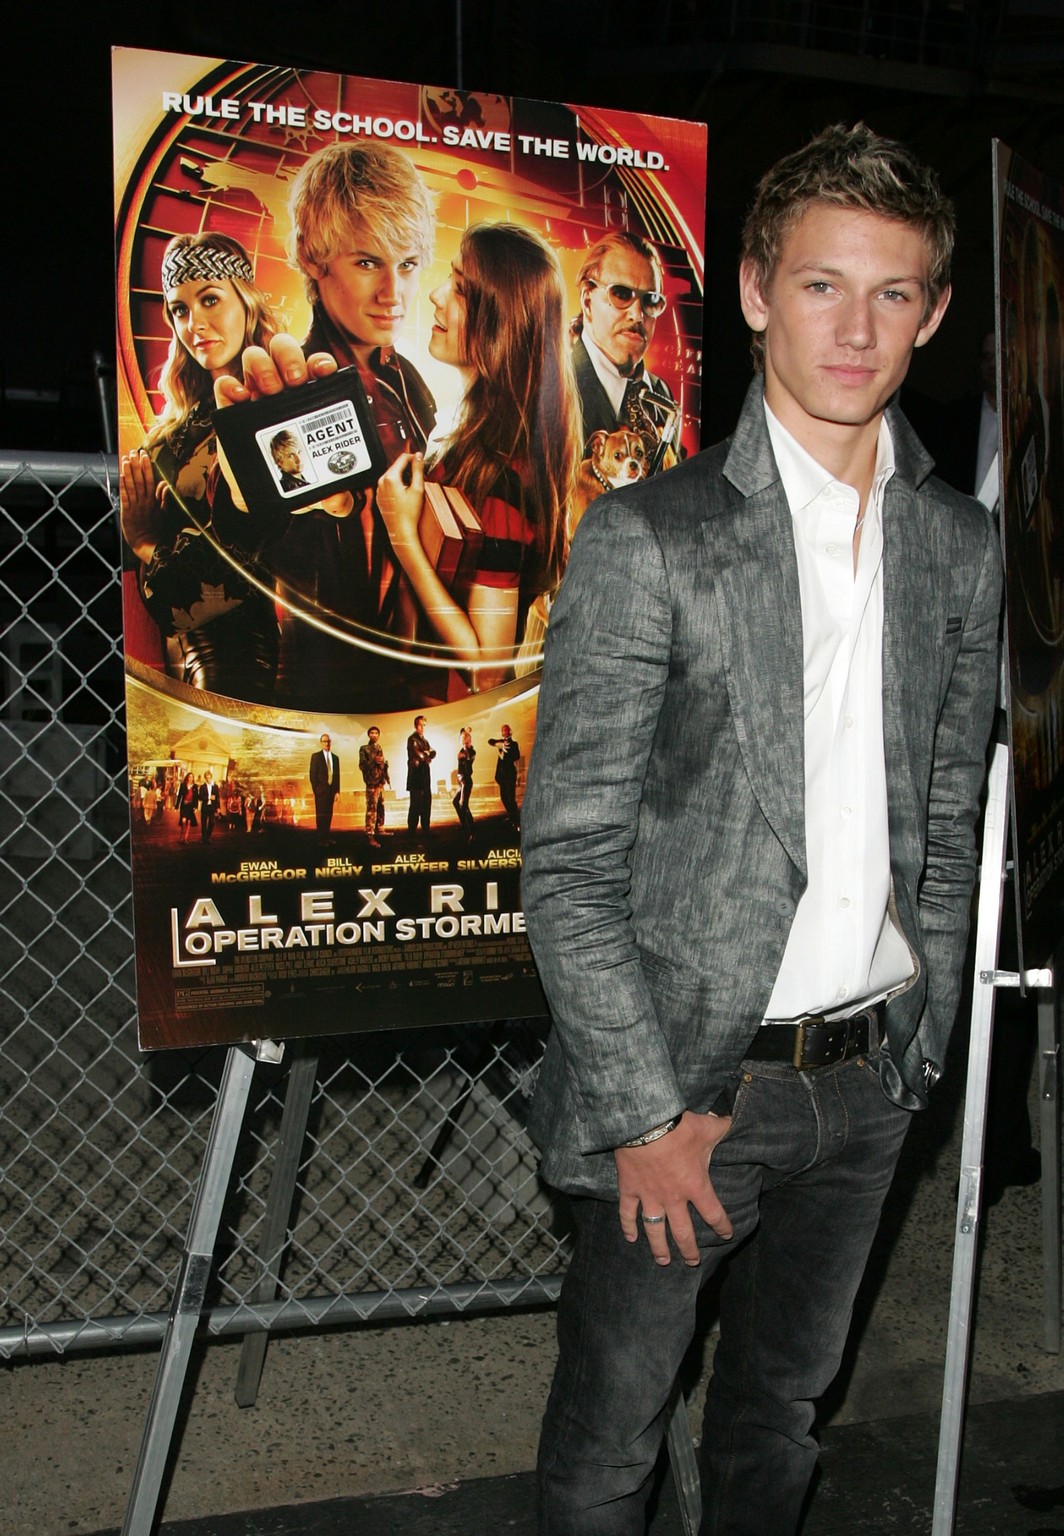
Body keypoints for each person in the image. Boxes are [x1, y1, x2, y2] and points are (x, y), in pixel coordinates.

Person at [521, 123, 1002, 1535]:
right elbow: (571, 860)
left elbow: (947, 815)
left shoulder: (957, 545)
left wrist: (920, 1048)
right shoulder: (651, 536)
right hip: (689, 1092)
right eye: (819, 285)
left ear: (933, 312)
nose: (855, 329)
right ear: (750, 291)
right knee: (609, 1454)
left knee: (778, 1424)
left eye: (891, 293)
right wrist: (645, 1114)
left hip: (868, 1079)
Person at [210, 142, 438, 712]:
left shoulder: (410, 382)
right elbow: (239, 540)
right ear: (314, 258)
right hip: (321, 693)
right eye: (368, 263)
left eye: (408, 264)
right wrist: (242, 497)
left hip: (419, 685)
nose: (394, 294)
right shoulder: (282, 393)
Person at [376, 222, 581, 693]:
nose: (436, 296)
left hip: (444, 717)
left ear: (501, 324)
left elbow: (488, 668)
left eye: (461, 290)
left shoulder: (504, 473)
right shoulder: (465, 432)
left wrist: (402, 535)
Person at [119, 232, 280, 703]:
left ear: (246, 302)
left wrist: (144, 540)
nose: (195, 325)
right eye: (180, 310)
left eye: (210, 299)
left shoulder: (269, 413)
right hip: (175, 666)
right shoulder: (178, 428)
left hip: (237, 663)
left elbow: (217, 579)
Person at [571, 230, 677, 467]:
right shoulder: (552, 390)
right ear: (587, 301)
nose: (637, 315)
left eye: (650, 300)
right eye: (621, 293)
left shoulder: (661, 393)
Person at [359, 725, 390, 848]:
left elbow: (381, 765)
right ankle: (370, 834)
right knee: (371, 809)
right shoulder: (364, 749)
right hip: (371, 782)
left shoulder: (379, 748)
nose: (374, 735)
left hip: (380, 782)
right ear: (368, 735)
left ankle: (380, 828)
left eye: (376, 733)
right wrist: (374, 761)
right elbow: (362, 765)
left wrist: (385, 772)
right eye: (372, 733)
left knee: (381, 806)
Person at [487, 724, 521, 831]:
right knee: (504, 798)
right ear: (502, 732)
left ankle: (516, 821)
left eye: (506, 730)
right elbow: (490, 741)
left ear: (510, 732)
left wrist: (507, 752)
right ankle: (512, 816)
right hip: (501, 776)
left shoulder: (514, 744)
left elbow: (517, 756)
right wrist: (499, 744)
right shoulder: (500, 742)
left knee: (511, 799)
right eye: (503, 730)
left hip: (510, 775)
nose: (505, 731)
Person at [406, 715, 435, 835]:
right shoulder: (412, 739)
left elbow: (433, 752)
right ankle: (411, 831)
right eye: (420, 725)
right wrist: (426, 754)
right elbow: (420, 755)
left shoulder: (425, 741)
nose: (423, 728)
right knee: (415, 805)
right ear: (415, 726)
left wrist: (427, 754)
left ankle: (426, 829)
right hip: (416, 776)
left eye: (424, 725)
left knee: (426, 804)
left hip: (425, 776)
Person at [309, 732, 340, 841]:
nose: (327, 743)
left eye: (328, 741)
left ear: (330, 742)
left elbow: (337, 776)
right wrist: (316, 790)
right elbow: (312, 775)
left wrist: (337, 791)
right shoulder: (316, 756)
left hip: (331, 791)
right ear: (321, 743)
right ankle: (321, 839)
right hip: (321, 791)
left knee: (328, 815)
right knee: (321, 816)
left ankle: (326, 837)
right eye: (324, 741)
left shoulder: (335, 758)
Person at [452, 727, 476, 842]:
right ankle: (464, 824)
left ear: (469, 740)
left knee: (463, 805)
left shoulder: (471, 752)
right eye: (462, 738)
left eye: (466, 738)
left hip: (466, 782)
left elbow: (468, 760)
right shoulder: (462, 749)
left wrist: (465, 751)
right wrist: (464, 731)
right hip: (461, 782)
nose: (463, 739)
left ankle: (472, 831)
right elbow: (461, 731)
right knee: (455, 802)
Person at [198, 768, 220, 842]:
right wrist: (208, 797)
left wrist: (218, 807)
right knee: (203, 823)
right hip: (205, 807)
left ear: (211, 777)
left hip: (212, 807)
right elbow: (200, 797)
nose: (208, 779)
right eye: (207, 778)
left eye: (209, 777)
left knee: (211, 822)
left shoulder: (215, 787)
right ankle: (204, 837)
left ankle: (208, 836)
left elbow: (217, 797)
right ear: (205, 778)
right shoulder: (202, 787)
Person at [176, 771, 198, 843]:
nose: (191, 778)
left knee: (188, 822)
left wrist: (196, 807)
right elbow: (180, 795)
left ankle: (185, 838)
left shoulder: (195, 786)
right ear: (187, 777)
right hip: (184, 806)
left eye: (192, 777)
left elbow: (196, 797)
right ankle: (181, 836)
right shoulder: (183, 785)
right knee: (183, 821)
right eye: (189, 777)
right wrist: (177, 805)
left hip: (190, 806)